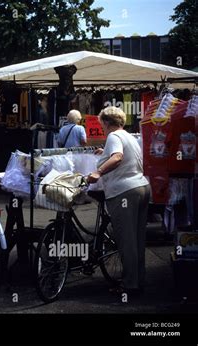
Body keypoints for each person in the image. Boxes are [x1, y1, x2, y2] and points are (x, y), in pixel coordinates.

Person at [87, 106, 150, 296]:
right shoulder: (129, 136)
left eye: (102, 124)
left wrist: (98, 171)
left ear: (106, 123)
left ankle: (130, 285)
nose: (102, 128)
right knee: (138, 239)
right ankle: (138, 281)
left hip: (124, 191)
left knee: (126, 240)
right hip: (141, 187)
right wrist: (104, 153)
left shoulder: (114, 137)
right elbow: (122, 155)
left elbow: (118, 157)